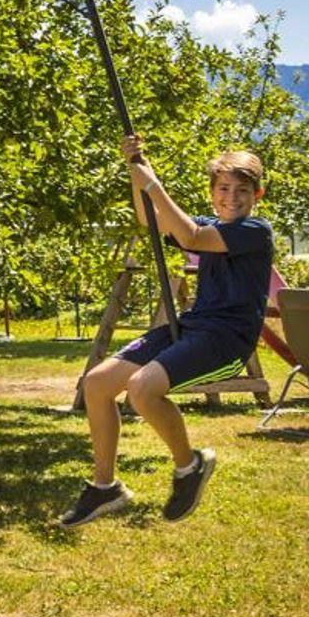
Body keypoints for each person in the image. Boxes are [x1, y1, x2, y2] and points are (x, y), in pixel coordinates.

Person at [61, 139, 272, 528]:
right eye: (224, 189)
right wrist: (136, 166)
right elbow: (149, 218)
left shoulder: (255, 231)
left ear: (257, 195)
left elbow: (191, 238)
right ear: (212, 193)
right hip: (192, 327)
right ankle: (106, 487)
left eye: (242, 190)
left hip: (225, 341)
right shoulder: (211, 223)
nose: (231, 198)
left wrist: (154, 184)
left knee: (142, 389)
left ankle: (189, 466)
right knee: (97, 383)